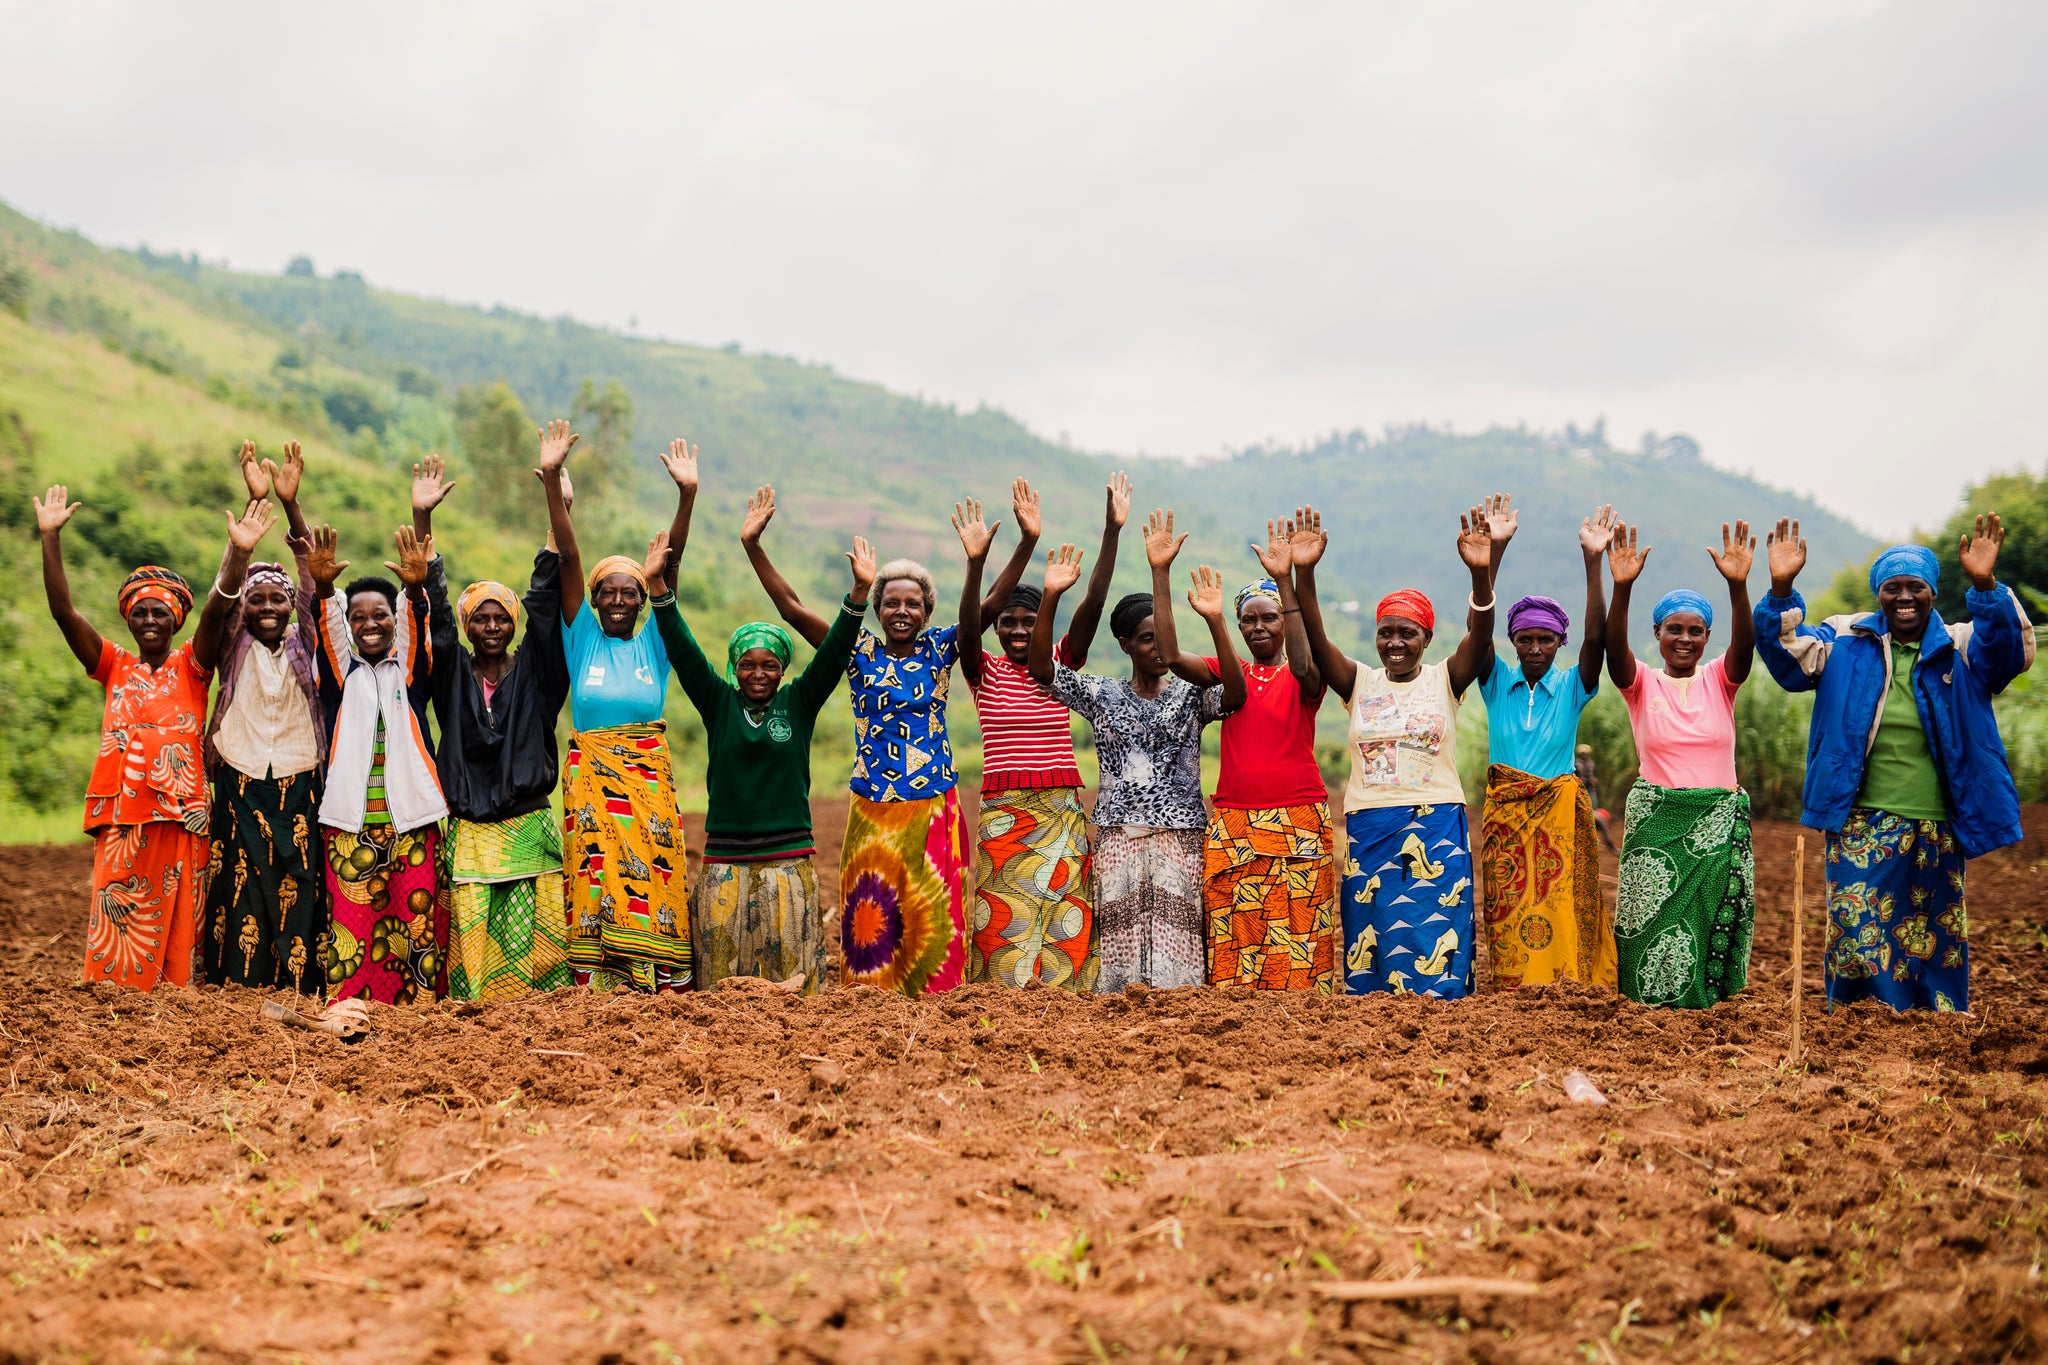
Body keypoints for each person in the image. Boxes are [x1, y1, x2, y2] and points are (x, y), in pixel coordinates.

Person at [739, 478, 1043, 996]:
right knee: (871, 916)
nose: (902, 611)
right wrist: (753, 545)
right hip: (873, 803)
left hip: (932, 804)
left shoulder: (941, 647)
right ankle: (868, 1008)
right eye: (892, 603)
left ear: (927, 612)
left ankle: (938, 1009)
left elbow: (988, 607)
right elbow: (791, 608)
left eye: (914, 604)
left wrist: (1020, 544)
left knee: (934, 917)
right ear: (877, 610)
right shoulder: (856, 650)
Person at [1754, 517, 2033, 1013]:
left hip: (1937, 818)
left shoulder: (1963, 644)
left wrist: (1986, 585)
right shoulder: (1845, 637)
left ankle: (1933, 1026)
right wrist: (1780, 589)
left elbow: (2007, 655)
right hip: (1860, 816)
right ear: (1878, 594)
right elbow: (1788, 659)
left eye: (1916, 587)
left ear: (1932, 593)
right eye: (1892, 588)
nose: (1905, 597)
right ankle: (1863, 1021)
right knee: (1856, 928)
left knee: (1931, 934)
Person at [37, 482, 269, 992]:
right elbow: (63, 613)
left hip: (184, 814)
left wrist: (239, 553)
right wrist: (50, 538)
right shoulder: (112, 665)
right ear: (127, 617)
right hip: (123, 812)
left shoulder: (193, 666)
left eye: (159, 612)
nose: (148, 620)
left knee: (183, 909)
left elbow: (216, 610)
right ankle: (111, 996)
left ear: (175, 620)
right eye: (139, 612)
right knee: (117, 907)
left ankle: (174, 1003)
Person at [655, 489, 876, 992]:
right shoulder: (717, 702)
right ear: (734, 668)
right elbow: (683, 650)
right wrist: (659, 590)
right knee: (721, 992)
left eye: (770, 665)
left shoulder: (799, 701)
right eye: (748, 664)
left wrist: (859, 594)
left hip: (788, 864)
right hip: (724, 864)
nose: (758, 673)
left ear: (783, 669)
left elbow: (835, 653)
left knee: (794, 988)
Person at [1032, 513, 1245, 991]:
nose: (1157, 649)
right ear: (1125, 644)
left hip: (1180, 835)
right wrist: (1051, 596)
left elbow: (1235, 695)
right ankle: (1118, 1023)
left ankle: (1180, 1019)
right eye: (1147, 639)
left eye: (1162, 638)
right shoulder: (1102, 694)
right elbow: (1043, 670)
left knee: (1178, 943)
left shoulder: (1190, 694)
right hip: (1118, 835)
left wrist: (1203, 612)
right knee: (1120, 942)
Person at [1297, 500, 1501, 998]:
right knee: (1372, 931)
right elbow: (1317, 639)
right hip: (1370, 825)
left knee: (1434, 932)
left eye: (1407, 633)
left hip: (1435, 825)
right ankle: (1376, 1022)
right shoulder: (1358, 682)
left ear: (1427, 638)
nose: (1395, 642)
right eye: (1385, 632)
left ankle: (1443, 1017)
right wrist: (1305, 573)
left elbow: (1481, 638)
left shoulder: (1445, 679)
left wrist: (1481, 574)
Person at [1145, 515, 1333, 990]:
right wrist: (1160, 573)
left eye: (1269, 617)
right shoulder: (1230, 673)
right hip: (1235, 822)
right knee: (1236, 942)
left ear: (1284, 621)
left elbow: (1304, 660)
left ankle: (1303, 1024)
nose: (1259, 626)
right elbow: (1170, 655)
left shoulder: (1306, 676)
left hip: (1298, 819)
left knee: (1299, 937)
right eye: (1248, 619)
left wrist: (1286, 579)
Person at [414, 449, 574, 1001]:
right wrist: (423, 519)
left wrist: (557, 515)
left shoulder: (538, 675)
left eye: (501, 617)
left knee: (537, 955)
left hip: (528, 828)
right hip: (471, 834)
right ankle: (476, 1033)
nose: (491, 626)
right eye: (480, 617)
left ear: (513, 624)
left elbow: (546, 607)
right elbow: (434, 616)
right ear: (467, 626)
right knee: (473, 955)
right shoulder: (451, 674)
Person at [957, 474, 1128, 990]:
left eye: (1028, 621)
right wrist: (977, 563)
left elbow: (1093, 604)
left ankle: (1064, 1017)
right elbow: (969, 624)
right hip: (1004, 813)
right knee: (1001, 922)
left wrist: (1112, 531)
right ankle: (1000, 1012)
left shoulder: (1058, 665)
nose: (1017, 629)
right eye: (1007, 621)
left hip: (1059, 810)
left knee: (1064, 919)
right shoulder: (982, 669)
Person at [542, 425, 695, 993]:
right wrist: (553, 479)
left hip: (648, 779)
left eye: (630, 592)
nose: (618, 599)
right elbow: (569, 555)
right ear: (593, 599)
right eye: (607, 591)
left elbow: (670, 569)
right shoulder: (581, 637)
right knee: (594, 875)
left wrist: (686, 496)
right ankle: (596, 987)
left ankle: (663, 983)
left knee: (656, 873)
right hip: (591, 779)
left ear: (641, 600)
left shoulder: (656, 641)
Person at [1604, 519, 1758, 1009]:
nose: (1685, 639)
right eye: (1674, 629)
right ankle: (1645, 1011)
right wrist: (1621, 588)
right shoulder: (1641, 683)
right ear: (1657, 633)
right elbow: (1613, 652)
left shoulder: (1720, 679)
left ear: (1708, 637)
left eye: (1696, 631)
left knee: (1711, 917)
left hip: (1717, 822)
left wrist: (1738, 586)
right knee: (1646, 921)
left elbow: (1745, 648)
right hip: (1657, 824)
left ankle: (1708, 1009)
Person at [199, 441, 329, 996]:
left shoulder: (307, 643)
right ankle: (237, 986)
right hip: (240, 774)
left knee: (299, 880)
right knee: (240, 884)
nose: (270, 608)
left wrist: (291, 506)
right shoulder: (235, 643)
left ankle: (299, 986)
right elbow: (222, 600)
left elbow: (313, 584)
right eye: (259, 601)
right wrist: (242, 544)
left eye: (278, 600)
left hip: (299, 776)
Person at [1472, 505, 1618, 989]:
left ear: (1560, 642)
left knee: (1558, 905)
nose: (1535, 648)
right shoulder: (1495, 682)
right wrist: (1491, 555)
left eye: (1546, 640)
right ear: (1512, 641)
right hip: (1505, 819)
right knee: (1506, 906)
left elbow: (1596, 638)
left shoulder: (1574, 687)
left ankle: (1562, 987)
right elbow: (1478, 632)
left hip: (1557, 820)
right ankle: (1513, 989)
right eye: (1526, 639)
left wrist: (1593, 562)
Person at [312, 519, 449, 1003]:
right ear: (349, 626)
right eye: (358, 618)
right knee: (351, 930)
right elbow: (327, 628)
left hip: (411, 822)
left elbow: (415, 629)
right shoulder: (339, 675)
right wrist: (323, 588)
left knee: (416, 926)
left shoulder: (407, 672)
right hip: (349, 826)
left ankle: (420, 1015)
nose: (370, 624)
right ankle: (350, 1010)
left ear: (393, 620)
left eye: (380, 615)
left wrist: (414, 591)